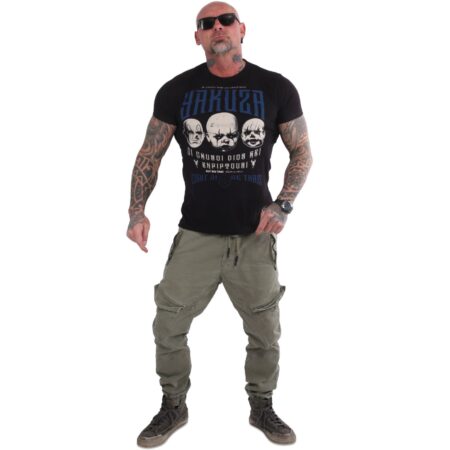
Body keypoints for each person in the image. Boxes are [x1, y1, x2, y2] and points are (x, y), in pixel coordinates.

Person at [127, 2, 312, 447]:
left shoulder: (275, 87)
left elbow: (302, 152)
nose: (217, 28)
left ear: (242, 29)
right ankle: (173, 404)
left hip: (255, 236)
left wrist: (283, 204)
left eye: (226, 20)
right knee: (169, 325)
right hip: (196, 234)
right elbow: (149, 155)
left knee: (264, 329)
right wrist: (137, 211)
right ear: (197, 37)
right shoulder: (177, 90)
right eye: (206, 24)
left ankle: (262, 405)